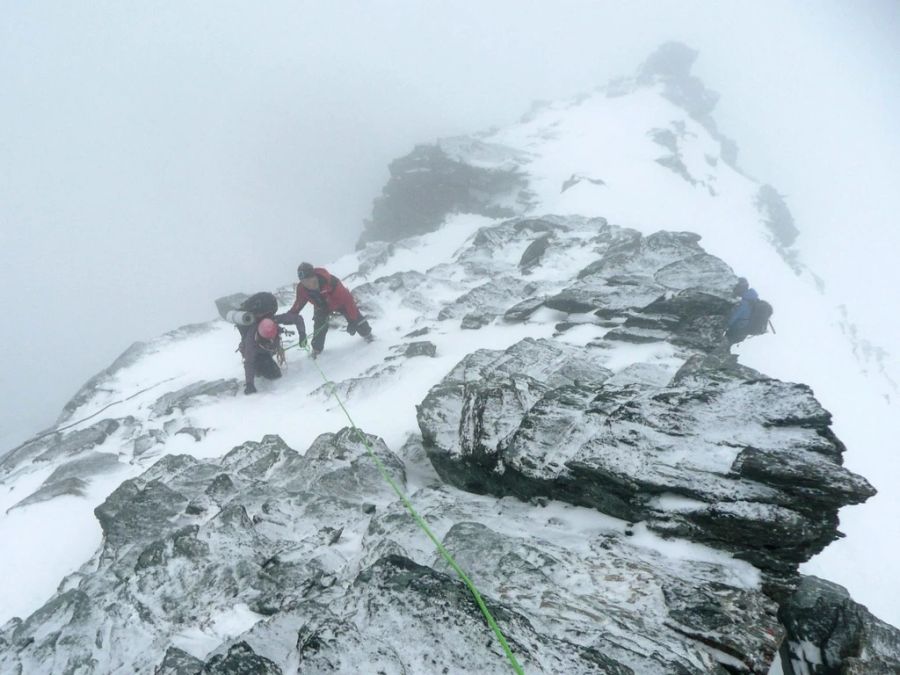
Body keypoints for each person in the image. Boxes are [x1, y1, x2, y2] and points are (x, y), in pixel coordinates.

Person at [279, 262, 373, 358]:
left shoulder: (331, 282)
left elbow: (347, 300)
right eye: (303, 282)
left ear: (313, 276)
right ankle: (316, 349)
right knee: (319, 326)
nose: (306, 284)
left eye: (308, 280)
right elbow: (297, 305)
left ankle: (368, 334)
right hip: (321, 307)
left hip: (340, 303)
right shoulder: (302, 289)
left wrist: (353, 321)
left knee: (357, 319)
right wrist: (285, 318)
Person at [236, 292, 305, 395]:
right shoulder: (251, 339)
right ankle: (259, 369)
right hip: (258, 354)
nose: (270, 341)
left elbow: (297, 318)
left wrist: (302, 334)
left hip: (267, 350)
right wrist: (250, 384)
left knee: (272, 369)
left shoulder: (274, 320)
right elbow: (249, 362)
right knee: (273, 374)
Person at [723, 277, 759, 347]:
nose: (735, 289)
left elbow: (734, 316)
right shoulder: (753, 299)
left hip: (736, 330)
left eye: (737, 287)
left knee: (723, 347)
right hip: (744, 331)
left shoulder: (744, 303)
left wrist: (724, 326)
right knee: (726, 347)